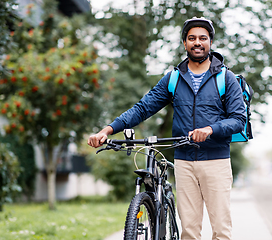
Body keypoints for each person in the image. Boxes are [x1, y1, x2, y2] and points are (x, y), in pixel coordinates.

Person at [88, 17, 246, 240]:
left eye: (203, 38)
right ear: (184, 43)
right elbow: (143, 108)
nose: (197, 42)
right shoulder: (173, 78)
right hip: (184, 162)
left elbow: (239, 119)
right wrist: (108, 129)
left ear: (211, 42)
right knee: (189, 231)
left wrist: (210, 129)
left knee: (221, 230)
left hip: (216, 161)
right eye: (192, 38)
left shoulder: (226, 78)